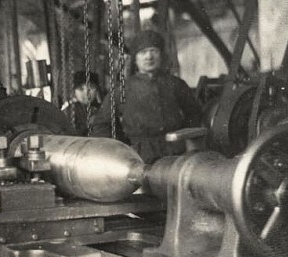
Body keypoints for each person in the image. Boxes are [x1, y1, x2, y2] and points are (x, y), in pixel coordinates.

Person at [89, 29, 202, 164]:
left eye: (153, 51)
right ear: (135, 59)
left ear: (161, 55)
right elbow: (101, 124)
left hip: (176, 152)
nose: (149, 57)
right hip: (140, 156)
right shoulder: (123, 90)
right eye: (143, 52)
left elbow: (194, 113)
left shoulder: (176, 84)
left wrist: (188, 140)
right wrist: (120, 149)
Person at [61, 70, 102, 136]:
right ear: (74, 92)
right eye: (81, 89)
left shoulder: (103, 109)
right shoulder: (69, 111)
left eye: (91, 87)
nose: (86, 93)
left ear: (96, 90)